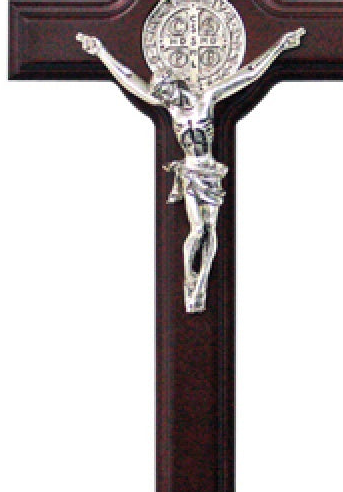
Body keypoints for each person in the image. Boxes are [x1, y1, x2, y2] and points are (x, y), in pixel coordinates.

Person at [75, 27, 305, 312]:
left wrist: (280, 47)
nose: (164, 98)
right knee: (196, 229)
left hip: (210, 171)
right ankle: (189, 277)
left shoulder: (206, 100)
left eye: (165, 92)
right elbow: (130, 79)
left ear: (175, 84)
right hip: (190, 172)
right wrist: (101, 53)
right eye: (160, 95)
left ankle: (202, 282)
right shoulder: (171, 109)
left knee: (211, 229)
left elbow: (248, 74)